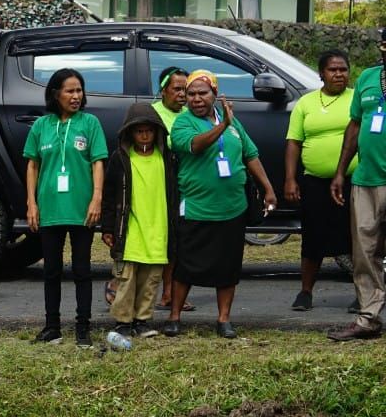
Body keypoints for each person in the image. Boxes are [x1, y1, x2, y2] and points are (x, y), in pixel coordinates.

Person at [165, 70, 277, 340]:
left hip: (232, 208)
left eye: (202, 93)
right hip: (197, 207)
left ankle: (223, 318)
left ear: (215, 94)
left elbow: (250, 155)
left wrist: (268, 188)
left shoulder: (232, 123)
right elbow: (195, 146)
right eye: (190, 94)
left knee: (228, 267)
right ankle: (174, 316)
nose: (196, 99)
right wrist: (223, 125)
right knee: (186, 265)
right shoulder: (183, 123)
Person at [24, 68, 107, 347]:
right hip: (50, 208)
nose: (75, 96)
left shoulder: (90, 123)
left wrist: (96, 198)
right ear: (55, 93)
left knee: (82, 270)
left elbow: (98, 162)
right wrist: (31, 203)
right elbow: (32, 164)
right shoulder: (41, 126)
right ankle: (52, 327)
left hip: (81, 209)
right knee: (52, 271)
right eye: (69, 91)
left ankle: (83, 327)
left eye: (79, 90)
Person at [284, 50, 354, 312]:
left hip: (352, 180)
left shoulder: (357, 99)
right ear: (321, 74)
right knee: (312, 237)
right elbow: (293, 142)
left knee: (355, 237)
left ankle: (362, 293)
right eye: (333, 70)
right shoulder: (306, 103)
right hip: (314, 182)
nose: (339, 74)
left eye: (343, 69)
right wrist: (290, 179)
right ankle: (305, 292)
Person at [329, 31, 386, 341]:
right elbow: (355, 125)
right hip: (366, 179)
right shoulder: (367, 78)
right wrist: (341, 171)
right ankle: (369, 319)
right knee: (365, 251)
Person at [100, 104, 176, 339]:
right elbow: (110, 195)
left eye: (149, 131)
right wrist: (108, 227)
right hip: (129, 230)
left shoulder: (167, 159)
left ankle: (142, 320)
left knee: (151, 280)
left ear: (157, 132)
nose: (144, 135)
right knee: (127, 279)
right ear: (129, 133)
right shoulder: (121, 159)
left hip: (158, 229)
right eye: (139, 131)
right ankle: (123, 321)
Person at [147, 66, 193, 313]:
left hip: (185, 184)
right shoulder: (151, 114)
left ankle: (170, 293)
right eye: (177, 89)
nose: (183, 94)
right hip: (158, 184)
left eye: (185, 89)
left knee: (180, 241)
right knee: (161, 239)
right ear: (163, 90)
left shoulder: (190, 114)